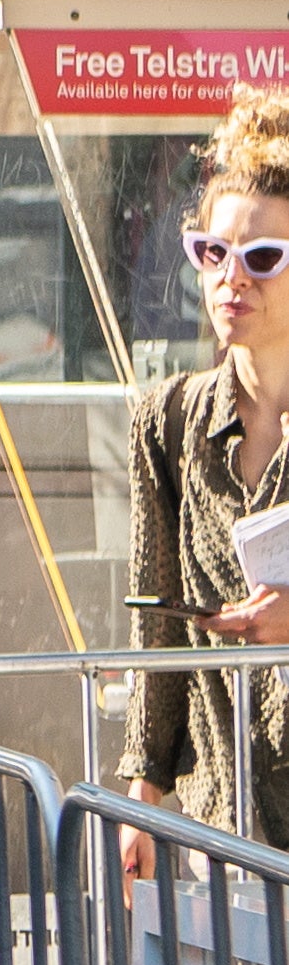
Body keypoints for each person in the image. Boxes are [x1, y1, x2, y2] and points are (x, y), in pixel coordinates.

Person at [131, 93, 289, 832]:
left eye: (262, 258)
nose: (233, 277)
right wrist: (141, 801)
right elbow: (156, 633)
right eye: (213, 252)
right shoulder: (168, 420)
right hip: (215, 827)